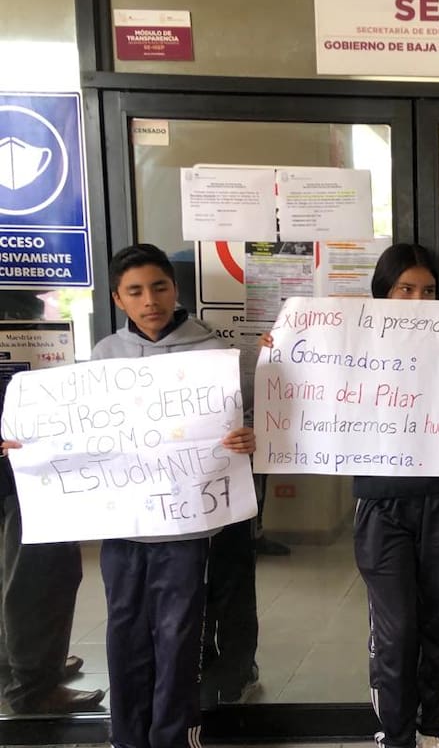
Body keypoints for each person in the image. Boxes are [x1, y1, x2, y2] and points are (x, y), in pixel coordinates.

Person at [261, 243, 439, 748]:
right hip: (382, 503)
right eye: (405, 288)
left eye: (428, 290)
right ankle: (396, 730)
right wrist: (276, 356)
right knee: (395, 627)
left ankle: (433, 722)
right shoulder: (351, 343)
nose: (417, 299)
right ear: (382, 293)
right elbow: (305, 388)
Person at [94, 243, 257, 748]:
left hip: (188, 525)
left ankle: (172, 737)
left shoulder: (214, 354)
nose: (150, 301)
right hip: (123, 525)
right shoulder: (104, 356)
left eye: (159, 287)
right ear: (120, 300)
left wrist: (248, 437)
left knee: (178, 635)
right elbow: (80, 430)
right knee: (125, 633)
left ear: (175, 289)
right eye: (136, 292)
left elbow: (249, 421)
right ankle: (128, 737)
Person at [0, 293, 102, 715]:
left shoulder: (31, 312)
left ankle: (24, 668)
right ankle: (32, 688)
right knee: (40, 574)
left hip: (28, 460)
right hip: (27, 467)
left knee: (20, 572)